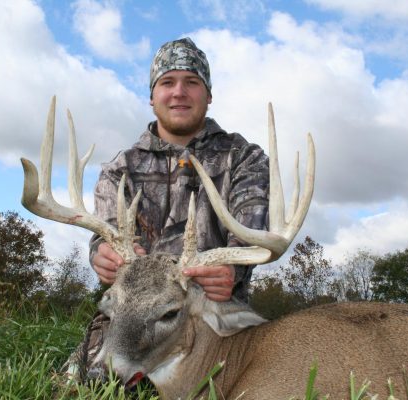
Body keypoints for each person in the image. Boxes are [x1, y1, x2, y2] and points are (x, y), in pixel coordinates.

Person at [66, 37, 269, 382]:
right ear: (152, 96)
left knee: (228, 381)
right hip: (131, 316)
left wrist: (231, 270)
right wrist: (101, 255)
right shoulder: (120, 169)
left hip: (211, 312)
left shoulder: (244, 158)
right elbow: (106, 235)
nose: (179, 92)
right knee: (91, 381)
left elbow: (253, 234)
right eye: (167, 82)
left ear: (208, 95)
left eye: (191, 82)